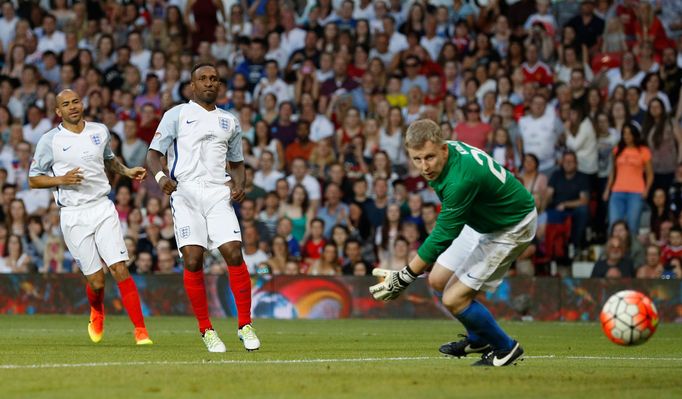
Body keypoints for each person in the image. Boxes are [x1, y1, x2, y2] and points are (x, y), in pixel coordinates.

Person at [369, 119, 536, 367]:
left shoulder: (460, 180)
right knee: (437, 280)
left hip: (510, 226)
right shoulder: (447, 155)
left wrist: (405, 276)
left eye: (429, 157)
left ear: (444, 149)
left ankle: (505, 348)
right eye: (417, 159)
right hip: (480, 217)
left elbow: (444, 234)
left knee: (454, 299)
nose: (424, 167)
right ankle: (479, 338)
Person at [146, 63, 260, 353]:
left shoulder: (229, 121)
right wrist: (161, 178)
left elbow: (236, 162)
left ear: (219, 86)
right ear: (192, 86)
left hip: (217, 192)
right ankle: (206, 329)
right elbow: (153, 154)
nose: (209, 83)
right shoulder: (176, 115)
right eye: (203, 79)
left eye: (214, 79)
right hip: (185, 192)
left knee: (233, 251)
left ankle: (245, 324)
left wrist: (239, 184)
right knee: (193, 258)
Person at [28, 89, 152, 345]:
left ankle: (141, 330)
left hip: (102, 207)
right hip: (73, 214)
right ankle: (97, 311)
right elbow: (33, 178)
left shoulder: (99, 131)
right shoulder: (49, 141)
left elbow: (108, 159)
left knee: (119, 268)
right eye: (66, 104)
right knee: (96, 280)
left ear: (82, 104)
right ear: (58, 111)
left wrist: (127, 171)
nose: (72, 106)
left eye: (76, 101)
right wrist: (61, 179)